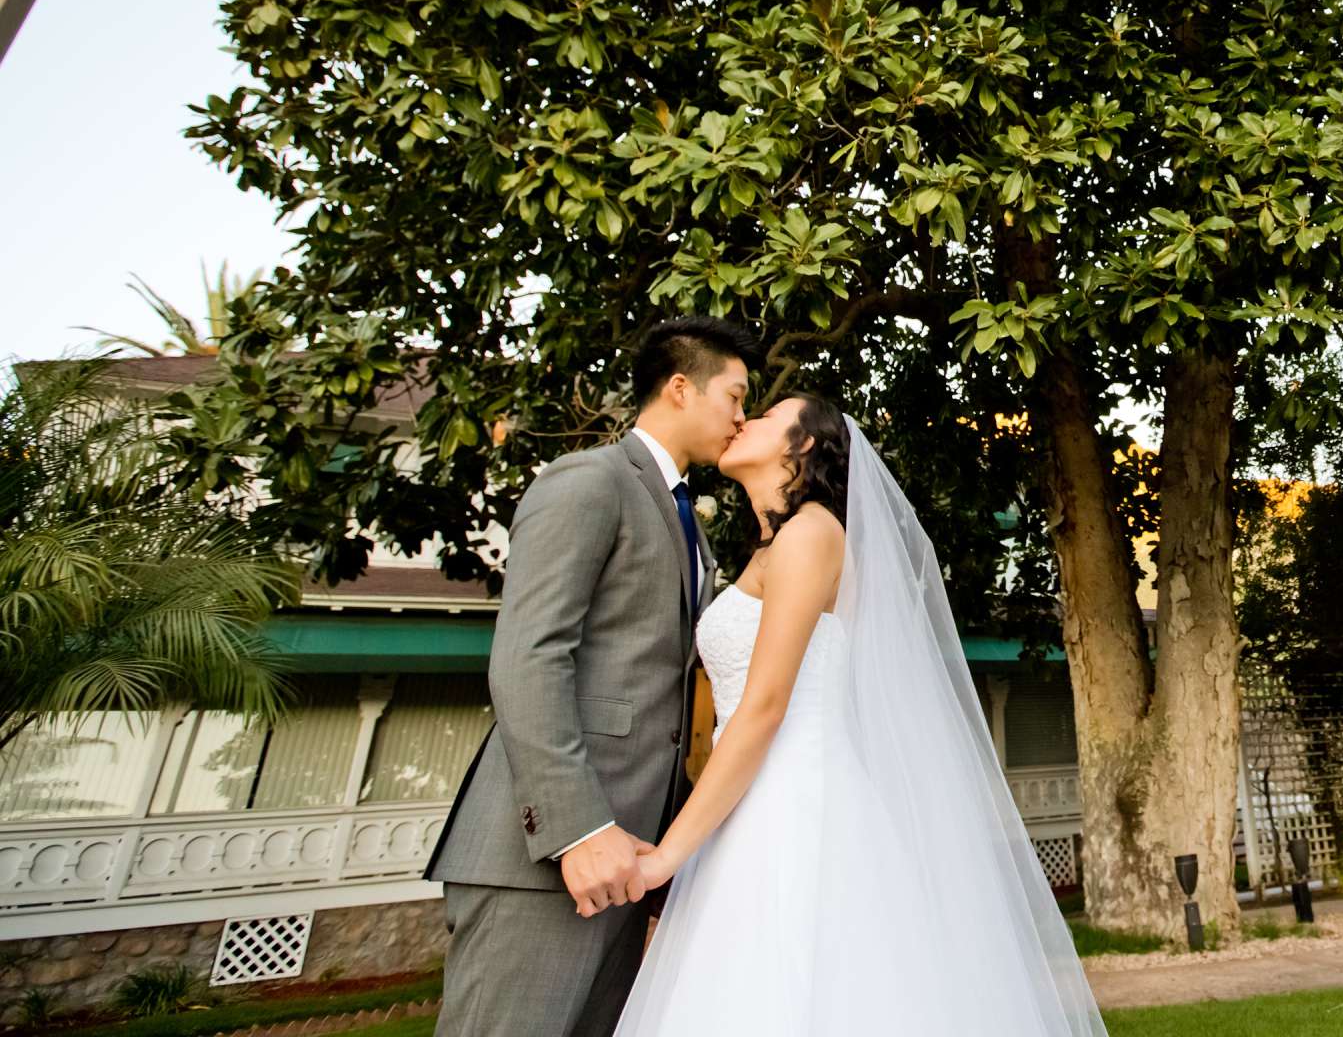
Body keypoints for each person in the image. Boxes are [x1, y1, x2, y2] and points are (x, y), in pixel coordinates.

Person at [610, 393, 1107, 1036]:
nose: (742, 420)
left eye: (762, 416)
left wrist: (665, 857)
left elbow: (763, 708)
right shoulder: (770, 546)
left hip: (796, 806)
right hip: (749, 804)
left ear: (805, 444)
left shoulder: (813, 532)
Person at [425, 316, 762, 1037]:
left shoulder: (691, 525)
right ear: (680, 388)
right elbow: (529, 656)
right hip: (549, 857)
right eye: (734, 396)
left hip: (630, 862)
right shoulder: (589, 480)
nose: (741, 417)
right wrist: (580, 829)